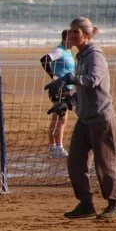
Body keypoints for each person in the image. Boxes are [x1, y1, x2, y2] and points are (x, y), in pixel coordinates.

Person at [46, 17, 116, 220]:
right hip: (84, 118)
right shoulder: (80, 56)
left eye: (75, 32)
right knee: (75, 163)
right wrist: (68, 102)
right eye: (70, 31)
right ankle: (86, 205)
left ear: (86, 35)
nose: (71, 35)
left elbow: (93, 80)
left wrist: (68, 78)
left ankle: (114, 204)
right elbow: (83, 89)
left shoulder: (95, 54)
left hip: (101, 118)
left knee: (104, 164)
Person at [40, 30, 76, 158]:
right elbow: (45, 59)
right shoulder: (59, 50)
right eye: (71, 38)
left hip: (66, 88)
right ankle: (58, 147)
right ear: (65, 38)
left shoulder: (68, 52)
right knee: (61, 118)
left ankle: (53, 148)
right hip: (59, 88)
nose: (73, 41)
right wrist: (53, 76)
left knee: (57, 118)